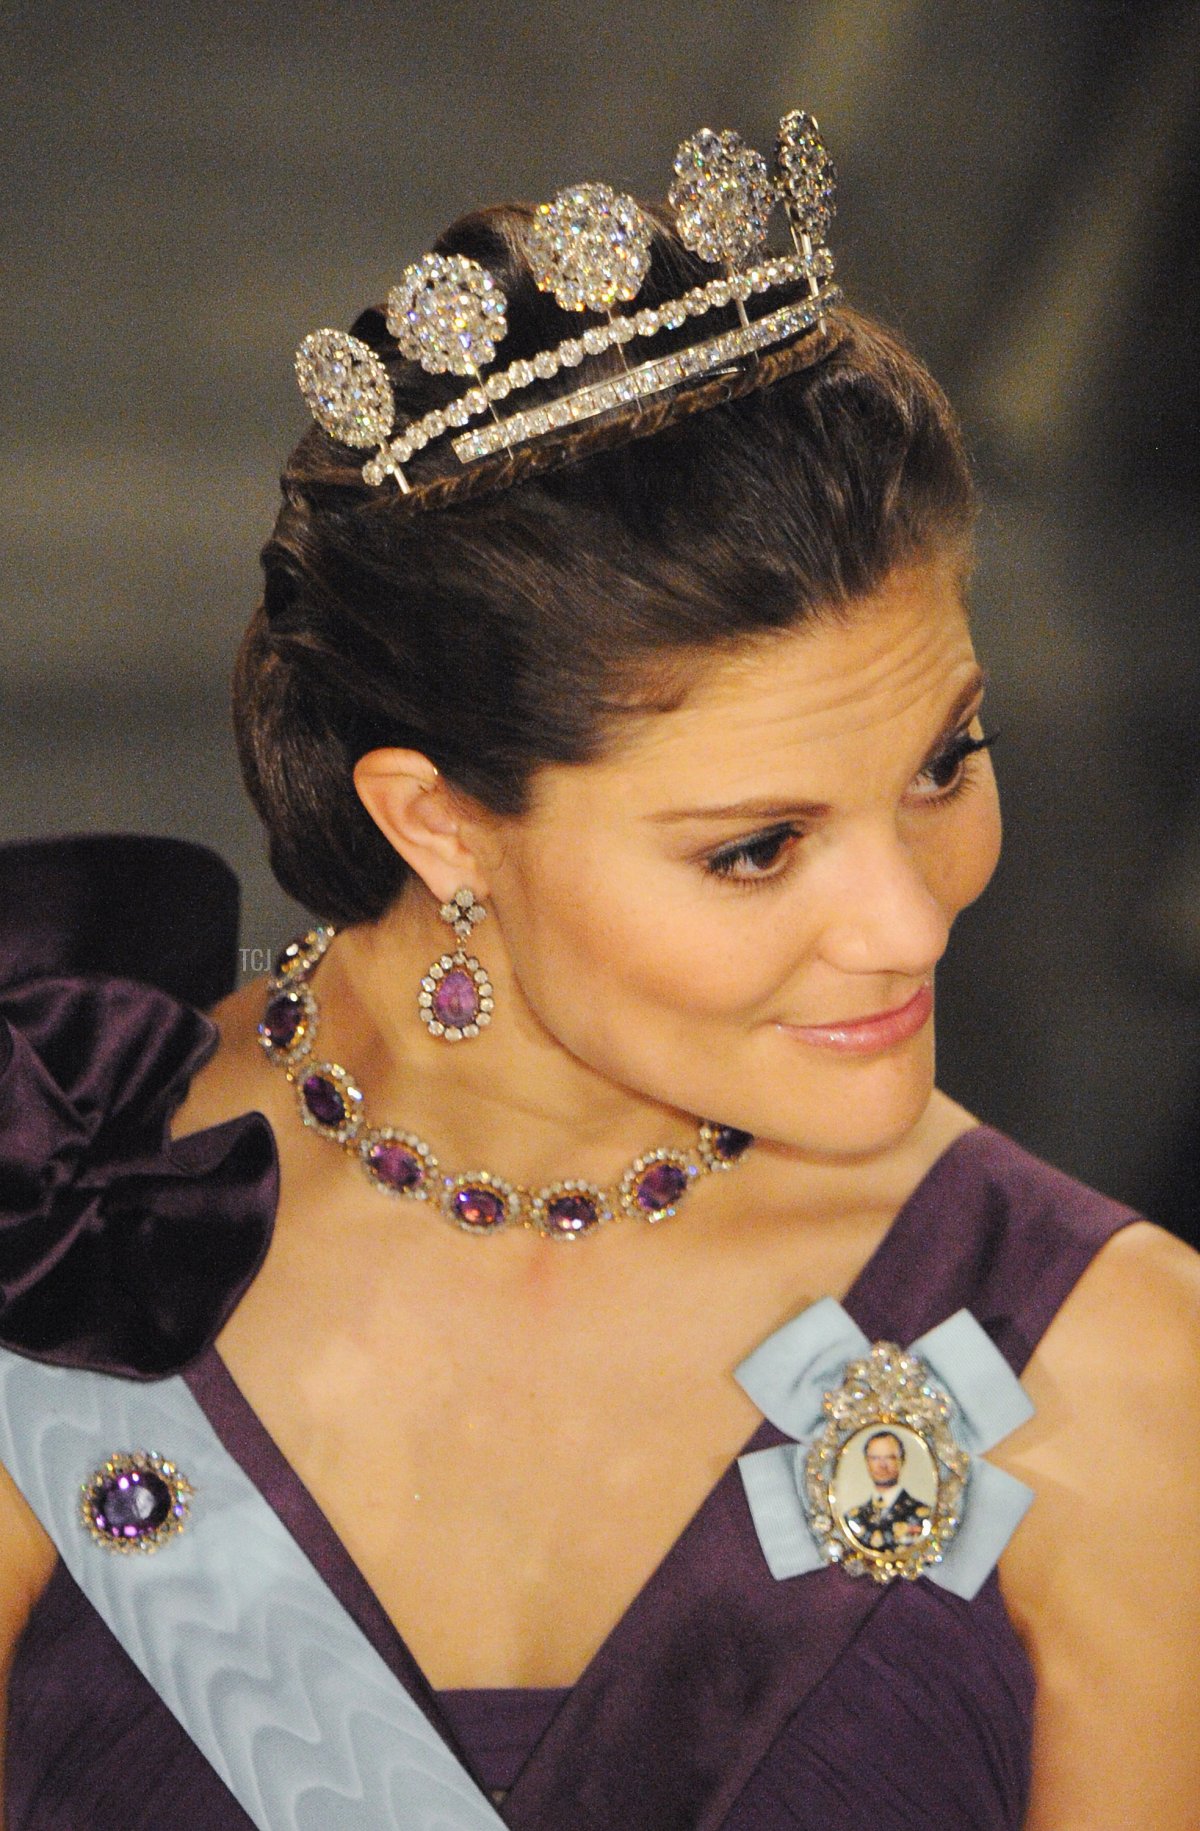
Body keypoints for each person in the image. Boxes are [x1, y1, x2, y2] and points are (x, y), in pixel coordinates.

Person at [1, 116, 1198, 1831]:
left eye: (948, 759)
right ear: (437, 826)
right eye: (756, 847)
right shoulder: (42, 1229)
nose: (912, 925)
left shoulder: (1113, 1355)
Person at [843, 1432, 932, 1553]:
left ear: (902, 1461)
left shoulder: (922, 1515)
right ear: (867, 1462)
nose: (882, 1465)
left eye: (890, 1457)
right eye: (874, 1458)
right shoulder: (853, 1517)